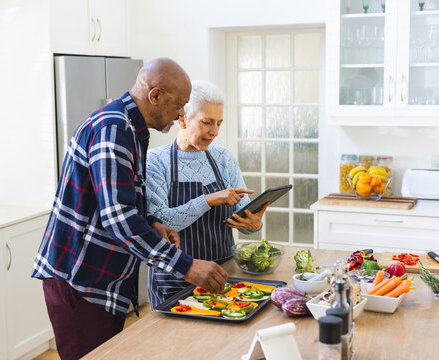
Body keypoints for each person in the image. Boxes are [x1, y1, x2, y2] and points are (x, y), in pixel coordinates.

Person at [31, 59, 228, 360]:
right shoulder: (114, 129)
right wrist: (186, 266)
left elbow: (120, 198)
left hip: (101, 280)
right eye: (179, 105)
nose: (180, 114)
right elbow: (118, 218)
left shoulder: (132, 130)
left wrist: (150, 222)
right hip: (80, 280)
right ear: (156, 96)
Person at [145, 80, 269, 309]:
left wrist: (252, 224)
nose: (214, 131)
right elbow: (161, 221)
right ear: (181, 119)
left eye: (219, 124)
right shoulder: (156, 162)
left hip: (222, 276)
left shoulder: (223, 158)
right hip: (174, 278)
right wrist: (209, 199)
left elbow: (242, 218)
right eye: (207, 122)